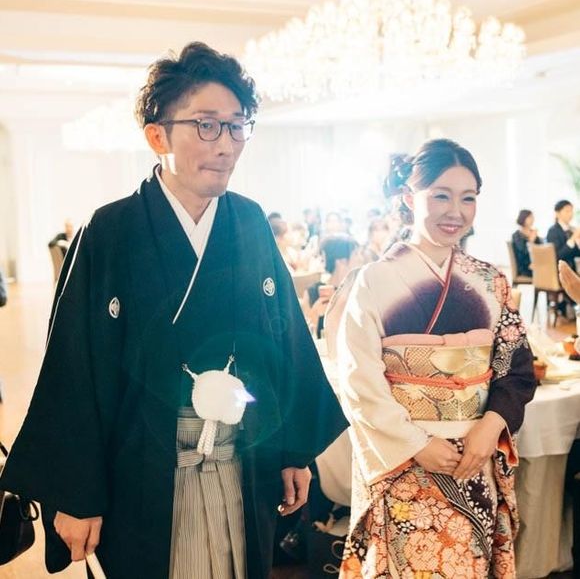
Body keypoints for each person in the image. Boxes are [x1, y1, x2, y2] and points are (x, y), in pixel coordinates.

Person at [0, 42, 346, 579]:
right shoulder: (110, 231)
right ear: (157, 135)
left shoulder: (249, 222)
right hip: (142, 470)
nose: (226, 144)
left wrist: (294, 452)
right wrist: (77, 494)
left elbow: (284, 344)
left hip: (243, 460)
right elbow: (75, 367)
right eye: (206, 125)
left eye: (238, 126)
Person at [337, 139, 536, 577]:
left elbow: (516, 367)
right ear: (410, 198)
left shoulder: (490, 280)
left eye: (468, 198)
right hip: (407, 461)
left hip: (474, 456)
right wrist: (416, 444)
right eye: (441, 196)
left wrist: (491, 427)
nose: (455, 212)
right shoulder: (372, 280)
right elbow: (358, 379)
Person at [304, 235, 362, 339]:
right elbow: (305, 337)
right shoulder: (313, 292)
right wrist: (315, 314)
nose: (361, 258)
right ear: (341, 260)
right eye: (356, 254)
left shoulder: (359, 289)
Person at [546, 199, 580, 271]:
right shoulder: (553, 231)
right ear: (557, 213)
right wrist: (573, 238)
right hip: (560, 272)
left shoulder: (571, 230)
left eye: (571, 211)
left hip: (572, 269)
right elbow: (558, 256)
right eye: (567, 211)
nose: (571, 214)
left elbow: (576, 253)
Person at [511, 209, 542, 277]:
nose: (532, 219)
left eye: (533, 217)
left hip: (535, 263)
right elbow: (523, 251)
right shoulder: (517, 235)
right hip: (524, 266)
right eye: (530, 217)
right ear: (523, 218)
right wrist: (531, 240)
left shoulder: (533, 232)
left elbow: (540, 249)